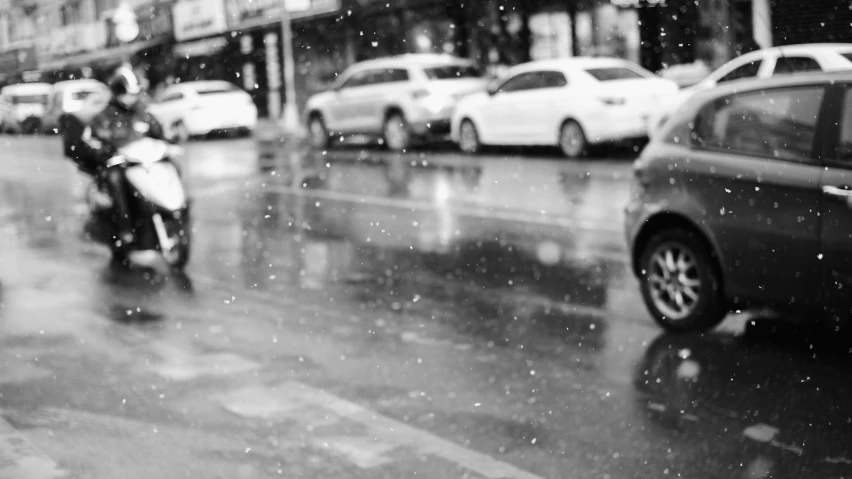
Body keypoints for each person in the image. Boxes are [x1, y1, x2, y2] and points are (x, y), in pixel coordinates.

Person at [64, 65, 167, 248]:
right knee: (115, 178)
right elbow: (92, 141)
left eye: (135, 94)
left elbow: (157, 132)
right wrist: (105, 152)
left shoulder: (141, 111)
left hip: (144, 163)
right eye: (128, 93)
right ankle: (124, 227)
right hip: (119, 164)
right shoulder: (105, 116)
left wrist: (169, 139)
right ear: (118, 93)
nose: (132, 98)